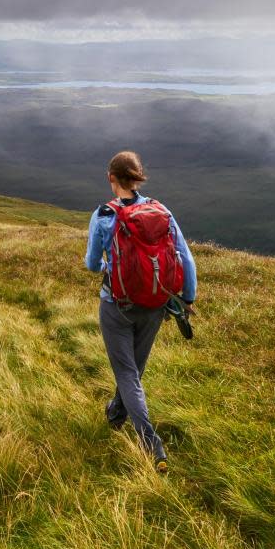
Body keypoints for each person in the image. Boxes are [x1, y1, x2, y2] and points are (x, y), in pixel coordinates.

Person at [84, 150, 196, 473]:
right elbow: (185, 257)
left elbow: (92, 264)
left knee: (127, 374)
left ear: (112, 178)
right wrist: (187, 298)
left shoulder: (104, 215)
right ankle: (116, 415)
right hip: (156, 304)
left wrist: (106, 262)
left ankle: (151, 443)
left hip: (116, 305)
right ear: (137, 178)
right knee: (134, 369)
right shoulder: (161, 211)